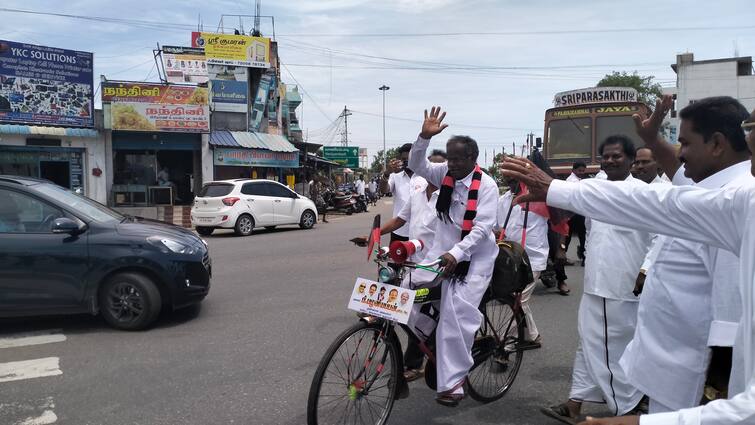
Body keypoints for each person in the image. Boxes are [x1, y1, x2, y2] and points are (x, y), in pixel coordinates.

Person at [500, 102, 755, 425]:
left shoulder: (742, 197)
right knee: (594, 349)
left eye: (686, 143)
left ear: (718, 144)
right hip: (672, 372)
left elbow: (730, 330)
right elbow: (659, 201)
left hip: (698, 383)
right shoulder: (726, 194)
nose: (680, 153)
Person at [542, 135, 653, 424]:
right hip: (597, 282)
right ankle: (575, 402)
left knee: (612, 347)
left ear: (631, 160)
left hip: (627, 285)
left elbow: (660, 239)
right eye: (606, 156)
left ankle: (626, 409)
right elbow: (588, 231)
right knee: (589, 343)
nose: (611, 160)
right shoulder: (594, 190)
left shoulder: (644, 193)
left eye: (617, 156)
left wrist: (646, 269)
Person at [408, 106, 498, 407]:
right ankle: (432, 337)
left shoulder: (487, 185)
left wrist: (457, 253)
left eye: (459, 158)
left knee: (454, 315)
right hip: (440, 255)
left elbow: (483, 228)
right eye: (450, 157)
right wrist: (423, 136)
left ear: (473, 159)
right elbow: (416, 163)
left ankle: (454, 383)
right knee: (404, 291)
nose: (454, 163)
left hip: (474, 262)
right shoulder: (443, 173)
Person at [381, 143, 428, 243]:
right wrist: (386, 174)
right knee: (397, 258)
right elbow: (384, 190)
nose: (406, 162)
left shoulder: (425, 177)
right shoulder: (395, 176)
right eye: (403, 159)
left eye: (409, 159)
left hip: (420, 233)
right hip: (399, 232)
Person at [565, 162, 588, 266]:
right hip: (574, 213)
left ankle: (582, 257)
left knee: (572, 236)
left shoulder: (577, 180)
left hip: (575, 212)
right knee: (580, 235)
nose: (582, 173)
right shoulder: (572, 181)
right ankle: (583, 258)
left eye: (583, 171)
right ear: (573, 170)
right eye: (580, 170)